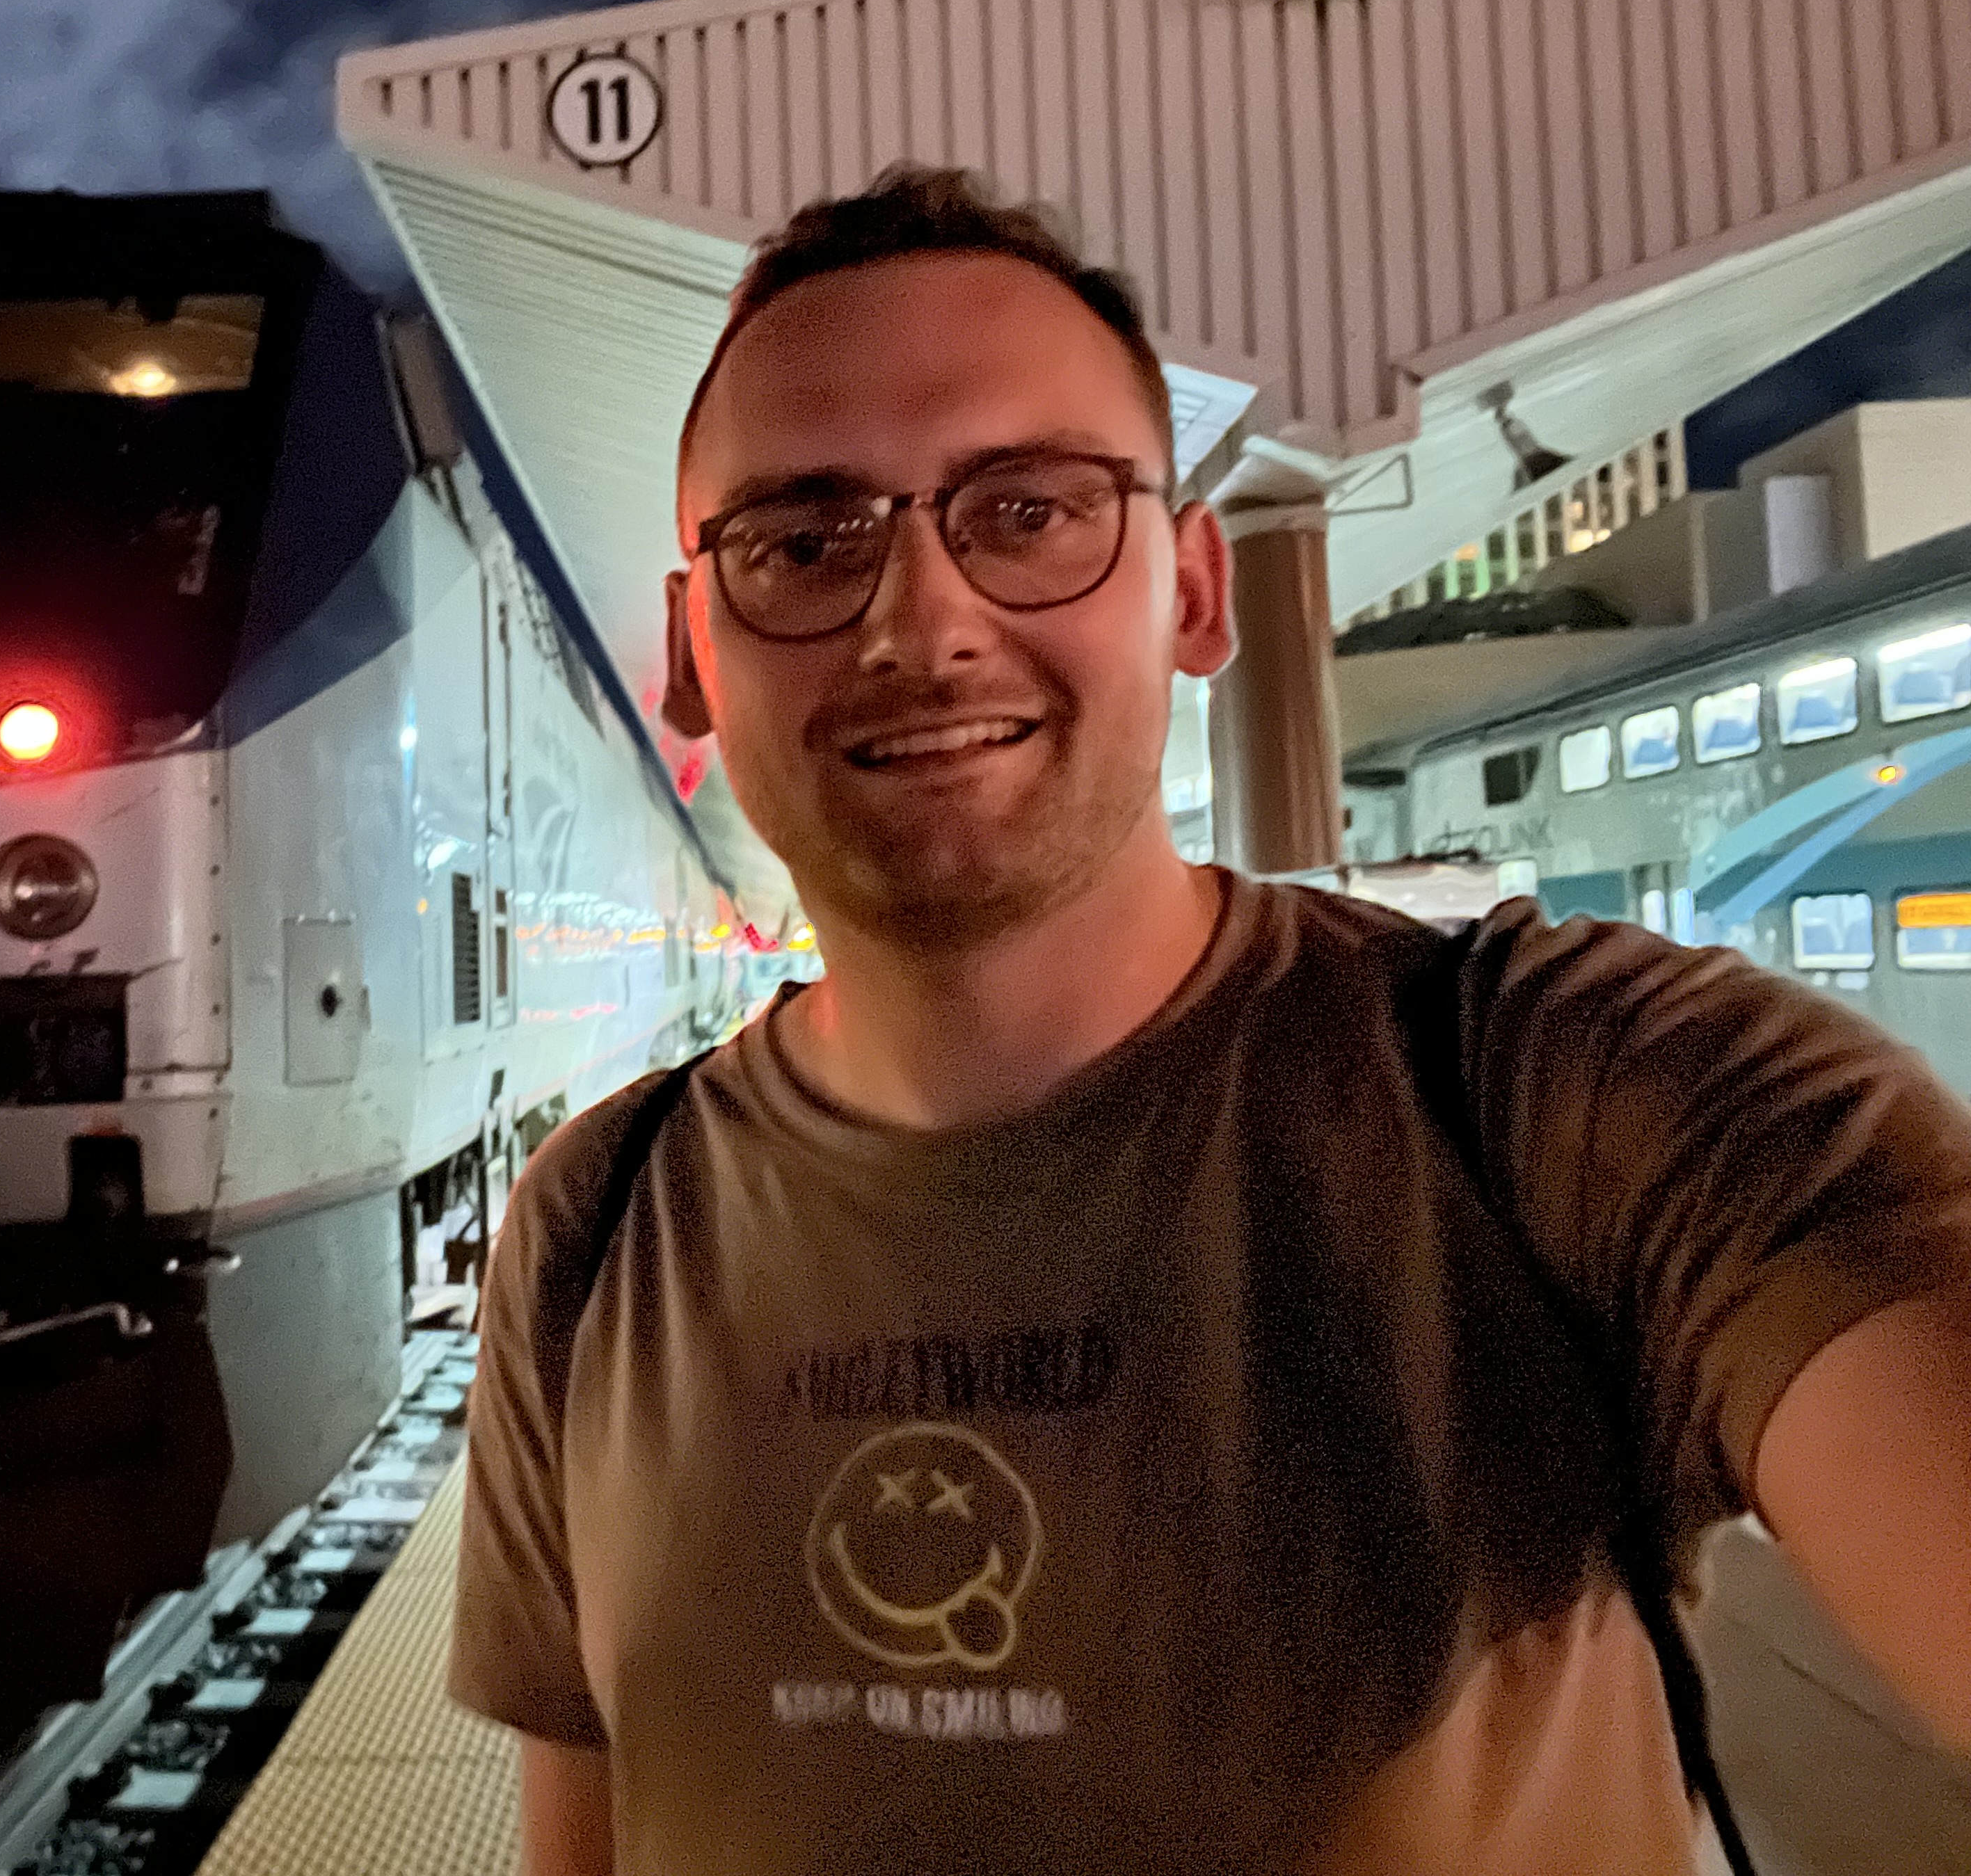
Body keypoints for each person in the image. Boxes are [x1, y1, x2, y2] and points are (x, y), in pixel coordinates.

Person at [447, 165, 1971, 1875]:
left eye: (1030, 510)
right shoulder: (589, 1230)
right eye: (803, 544)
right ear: (692, 652)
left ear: (1190, 591)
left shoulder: (1583, 1090)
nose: (923, 619)